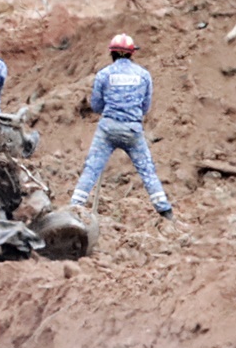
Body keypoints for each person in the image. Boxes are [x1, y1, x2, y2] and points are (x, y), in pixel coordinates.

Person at [69, 33, 174, 218]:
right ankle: (165, 211)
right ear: (132, 53)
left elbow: (96, 105)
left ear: (112, 54)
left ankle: (74, 208)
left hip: (108, 129)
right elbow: (146, 106)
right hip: (133, 130)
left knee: (92, 168)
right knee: (147, 169)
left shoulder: (104, 74)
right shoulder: (143, 75)